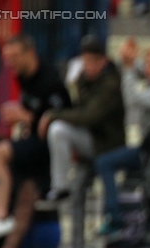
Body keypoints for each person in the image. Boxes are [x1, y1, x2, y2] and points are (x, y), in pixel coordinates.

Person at [0, 35, 70, 248]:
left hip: (51, 147)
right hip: (32, 142)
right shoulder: (22, 77)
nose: (10, 65)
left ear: (29, 53)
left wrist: (24, 117)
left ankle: (0, 216)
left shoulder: (50, 80)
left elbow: (61, 119)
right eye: (7, 60)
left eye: (14, 58)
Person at [96, 41, 150, 235]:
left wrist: (127, 70)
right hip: (149, 148)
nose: (148, 68)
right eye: (147, 63)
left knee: (119, 167)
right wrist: (126, 58)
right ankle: (114, 219)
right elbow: (134, 68)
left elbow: (134, 100)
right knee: (105, 163)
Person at [40, 36, 126, 208]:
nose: (88, 66)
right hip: (90, 138)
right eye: (85, 61)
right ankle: (60, 189)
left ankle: (61, 187)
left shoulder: (111, 83)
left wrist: (53, 115)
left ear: (103, 61)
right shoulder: (83, 80)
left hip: (107, 144)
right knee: (78, 190)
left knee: (58, 128)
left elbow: (89, 116)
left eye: (93, 61)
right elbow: (77, 110)